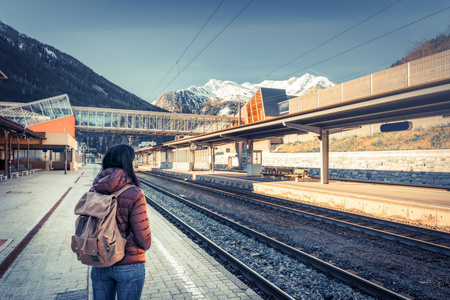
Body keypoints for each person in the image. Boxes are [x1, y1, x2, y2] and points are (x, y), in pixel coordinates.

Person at [90, 144, 151, 300]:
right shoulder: (134, 192)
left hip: (100, 261)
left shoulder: (94, 190)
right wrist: (146, 246)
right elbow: (142, 236)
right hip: (128, 263)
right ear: (127, 163)